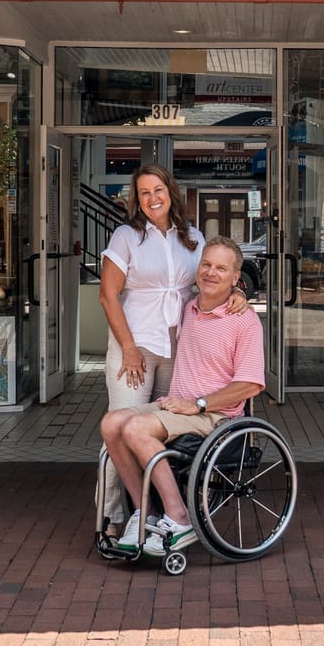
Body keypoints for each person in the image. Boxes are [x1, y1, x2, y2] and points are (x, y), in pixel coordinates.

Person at [95, 163, 243, 540]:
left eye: (157, 190)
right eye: (144, 193)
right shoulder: (127, 236)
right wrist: (128, 349)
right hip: (136, 346)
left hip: (177, 345)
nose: (152, 198)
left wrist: (239, 293)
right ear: (137, 200)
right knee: (118, 425)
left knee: (157, 431)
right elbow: (107, 294)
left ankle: (163, 511)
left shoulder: (191, 237)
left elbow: (212, 279)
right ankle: (114, 515)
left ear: (170, 192)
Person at [99, 236, 265, 556]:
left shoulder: (244, 321)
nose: (210, 273)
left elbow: (250, 385)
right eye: (206, 265)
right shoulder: (187, 307)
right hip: (176, 408)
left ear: (235, 278)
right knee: (111, 424)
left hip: (216, 416)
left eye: (221, 268)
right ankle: (144, 514)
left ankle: (179, 517)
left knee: (136, 428)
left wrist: (198, 404)